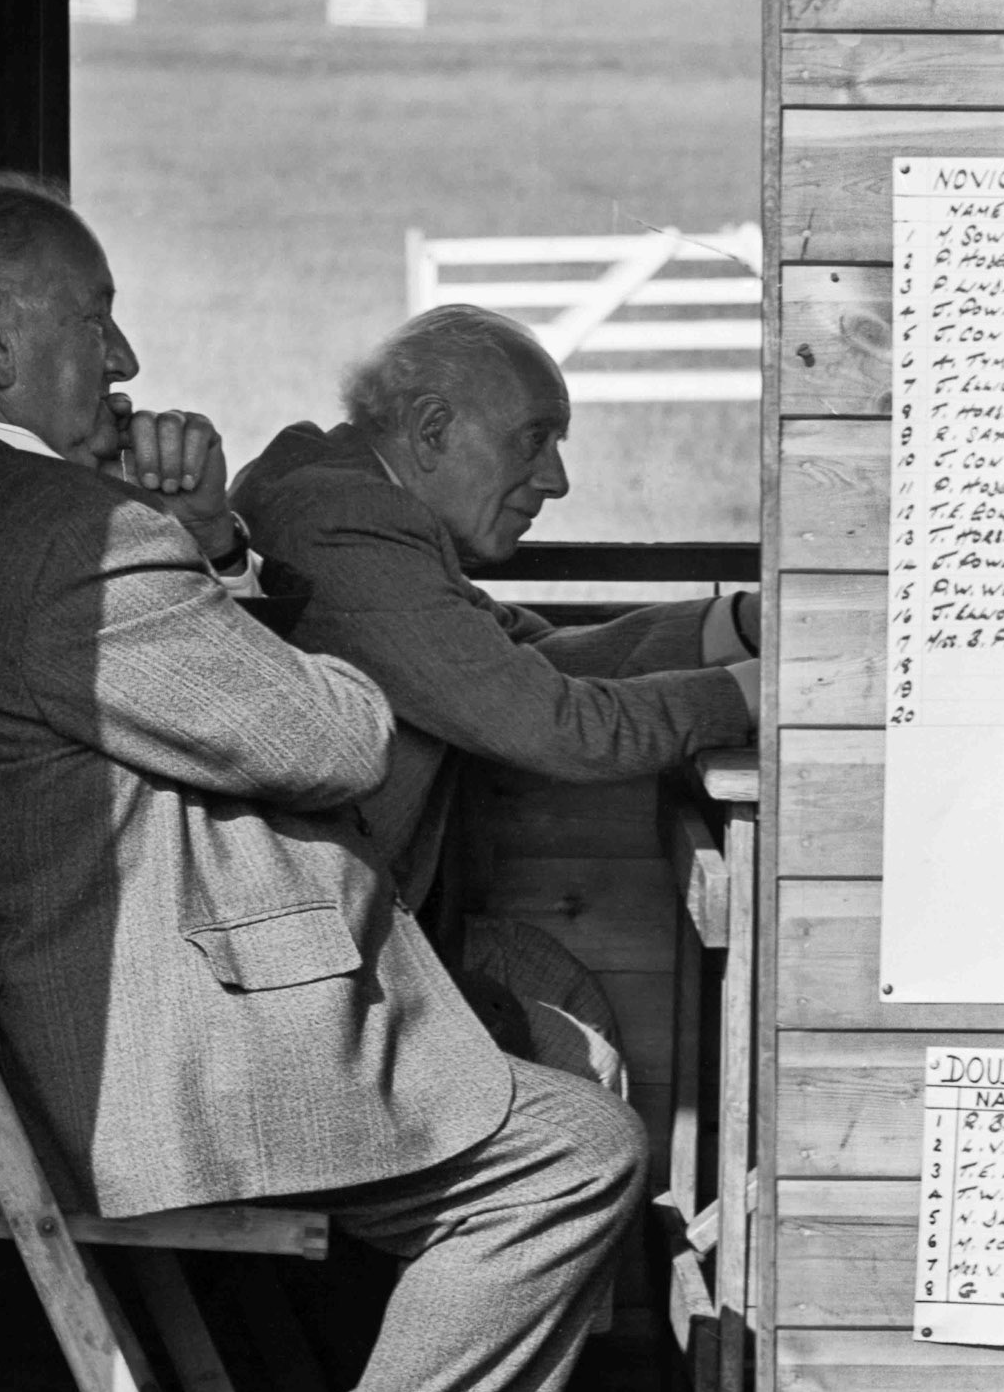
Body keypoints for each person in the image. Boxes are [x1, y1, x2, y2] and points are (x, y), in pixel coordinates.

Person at [0, 169, 649, 1392]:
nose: (127, 364)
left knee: (490, 1040)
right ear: (2, 338)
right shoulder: (70, 539)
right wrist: (200, 533)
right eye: (100, 321)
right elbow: (333, 737)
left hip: (18, 1034)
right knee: (569, 1149)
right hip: (122, 1067)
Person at [232, 307, 760, 1089]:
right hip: (329, 972)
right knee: (582, 1080)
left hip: (373, 933)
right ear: (434, 428)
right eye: (533, 439)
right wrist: (766, 693)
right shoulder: (342, 523)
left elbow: (532, 662)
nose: (556, 478)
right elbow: (559, 725)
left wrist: (737, 624)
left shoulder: (364, 501)